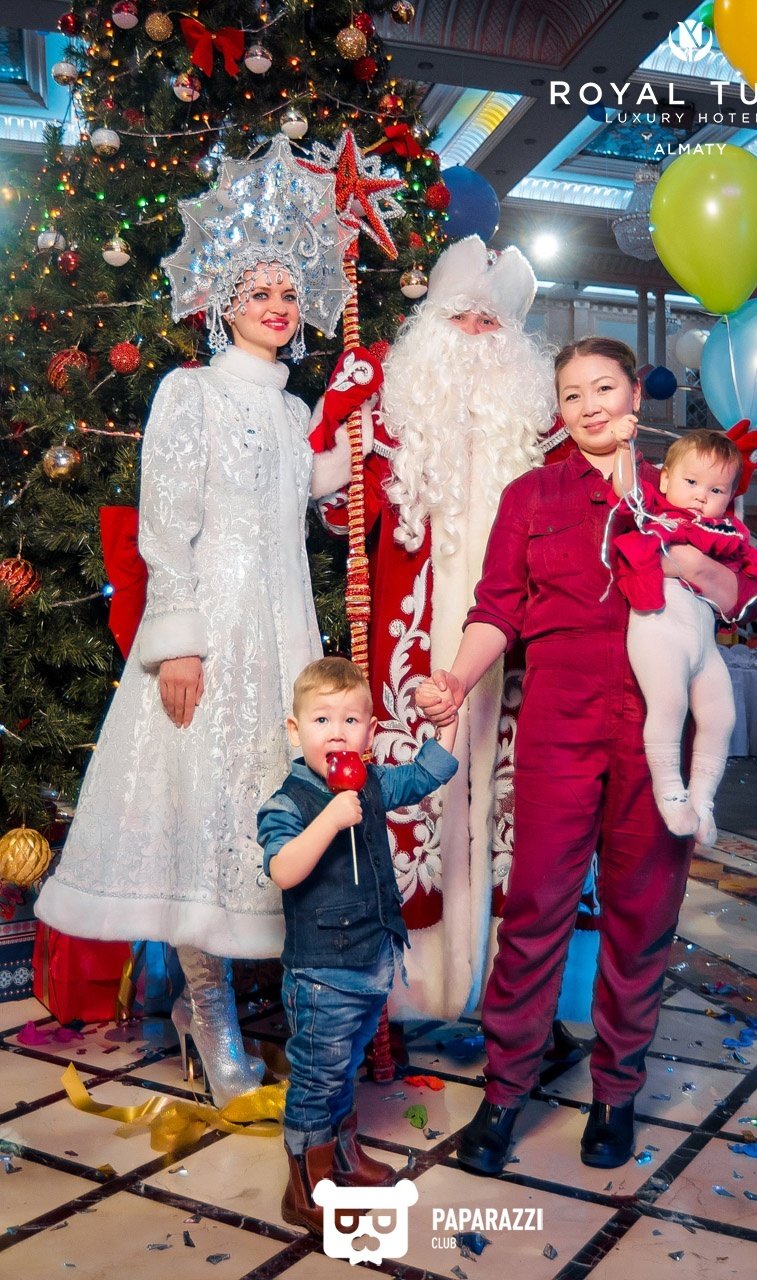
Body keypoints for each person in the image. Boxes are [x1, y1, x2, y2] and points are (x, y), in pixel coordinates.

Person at [36, 140, 356, 1107]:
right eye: (258, 290)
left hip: (284, 632)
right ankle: (207, 1011)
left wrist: (360, 432)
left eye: (288, 292)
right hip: (212, 627)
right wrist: (177, 641)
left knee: (264, 803)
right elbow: (164, 522)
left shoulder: (294, 410)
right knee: (198, 805)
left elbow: (311, 492)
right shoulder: (191, 392)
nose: (277, 304)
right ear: (223, 302)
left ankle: (233, 997)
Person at [416, 336, 757, 1173]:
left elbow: (739, 596)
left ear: (634, 395)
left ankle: (615, 1092)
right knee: (535, 907)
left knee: (642, 914)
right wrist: (456, 679)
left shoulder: (684, 487)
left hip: (659, 727)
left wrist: (690, 559)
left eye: (602, 388)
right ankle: (505, 1093)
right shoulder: (530, 494)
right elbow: (496, 608)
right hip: (560, 721)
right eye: (571, 395)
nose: (587, 406)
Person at [314, 235, 567, 1020]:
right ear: (430, 329)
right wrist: (337, 415)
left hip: (516, 648)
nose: (476, 336)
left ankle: (509, 992)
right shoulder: (391, 418)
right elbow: (333, 510)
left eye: (492, 324)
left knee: (511, 806)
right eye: (461, 318)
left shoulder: (545, 433)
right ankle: (408, 993)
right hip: (413, 642)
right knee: (415, 800)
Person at [256, 657, 458, 1232]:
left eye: (350, 720)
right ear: (296, 730)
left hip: (371, 962)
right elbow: (283, 869)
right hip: (322, 976)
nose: (337, 732)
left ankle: (342, 1157)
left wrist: (447, 723)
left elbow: (424, 775)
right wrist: (328, 820)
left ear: (370, 732)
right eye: (321, 720)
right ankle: (305, 1185)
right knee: (315, 1080)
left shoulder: (370, 784)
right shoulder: (288, 802)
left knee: (344, 1069)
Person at [609, 426, 757, 845]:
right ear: (665, 479)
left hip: (703, 641)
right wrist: (624, 446)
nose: (700, 495)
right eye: (691, 482)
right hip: (658, 624)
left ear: (729, 496)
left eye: (715, 490)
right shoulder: (655, 508)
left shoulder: (728, 532)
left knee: (722, 716)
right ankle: (670, 792)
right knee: (670, 703)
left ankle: (703, 801)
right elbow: (625, 489)